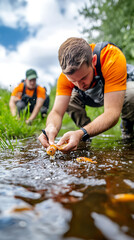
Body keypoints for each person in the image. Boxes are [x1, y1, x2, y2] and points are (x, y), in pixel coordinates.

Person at [38, 37, 134, 152]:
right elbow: (57, 112)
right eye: (73, 81)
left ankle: (128, 128)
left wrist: (80, 133)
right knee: (71, 99)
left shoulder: (111, 57)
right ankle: (86, 135)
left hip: (120, 91)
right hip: (92, 96)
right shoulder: (65, 76)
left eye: (83, 77)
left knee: (131, 93)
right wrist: (50, 127)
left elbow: (112, 113)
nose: (79, 85)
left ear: (93, 61)